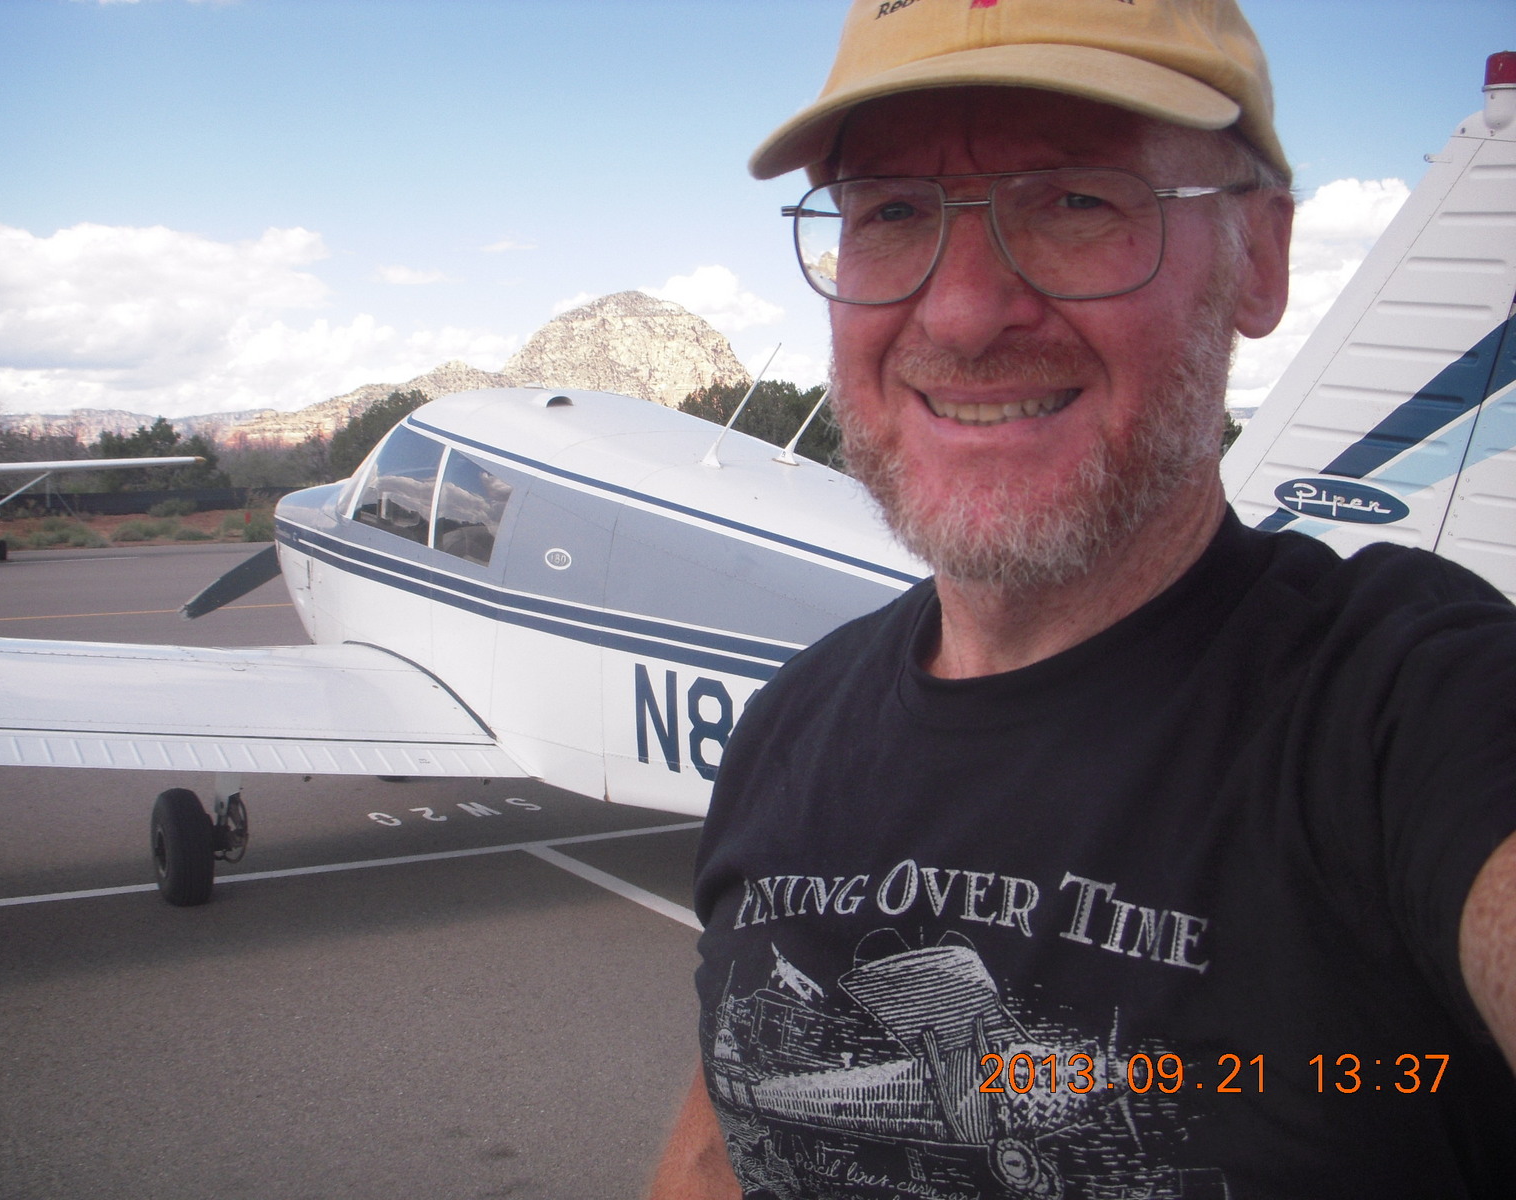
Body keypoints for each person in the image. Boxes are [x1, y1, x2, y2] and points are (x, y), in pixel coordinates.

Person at [649, 1, 1516, 1197]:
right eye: (891, 211)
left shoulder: (1411, 710)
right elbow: (724, 1140)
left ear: (1259, 259)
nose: (961, 314)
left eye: (1073, 200)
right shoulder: (784, 728)